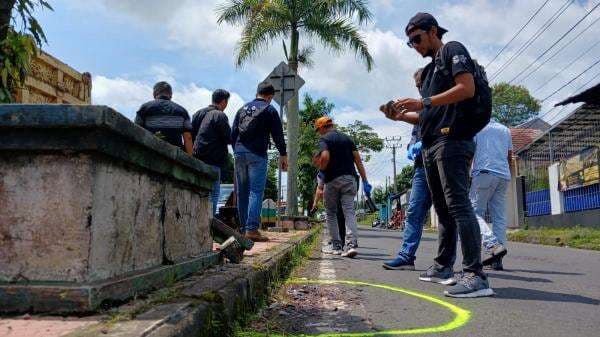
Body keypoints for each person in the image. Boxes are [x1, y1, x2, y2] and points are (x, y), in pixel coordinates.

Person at [391, 12, 493, 298]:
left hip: (454, 140)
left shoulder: (452, 50)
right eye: (410, 42)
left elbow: (467, 88)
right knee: (444, 209)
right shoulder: (429, 72)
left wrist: (423, 101)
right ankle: (442, 267)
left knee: (459, 205)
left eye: (417, 39)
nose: (414, 46)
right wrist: (401, 117)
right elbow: (427, 115)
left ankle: (475, 274)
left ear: (433, 31)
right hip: (432, 143)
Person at [382, 68, 436, 270]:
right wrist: (411, 147)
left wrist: (402, 116)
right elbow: (416, 132)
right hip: (422, 165)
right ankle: (406, 256)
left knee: (450, 213)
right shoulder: (420, 107)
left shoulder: (442, 101)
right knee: (413, 210)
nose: (420, 88)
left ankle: (456, 263)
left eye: (422, 83)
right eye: (417, 86)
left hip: (443, 162)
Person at [231, 82, 287, 242]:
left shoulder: (242, 109)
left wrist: (237, 151)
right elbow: (277, 135)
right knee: (255, 191)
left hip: (239, 153)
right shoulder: (269, 109)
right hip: (257, 154)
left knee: (242, 191)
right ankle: (252, 229)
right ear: (270, 96)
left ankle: (243, 229)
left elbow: (233, 133)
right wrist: (283, 154)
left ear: (257, 93)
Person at [313, 117, 372, 258]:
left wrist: (321, 168)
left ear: (322, 127)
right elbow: (358, 160)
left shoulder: (324, 140)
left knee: (331, 213)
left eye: (318, 130)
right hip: (350, 179)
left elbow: (325, 157)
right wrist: (365, 181)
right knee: (349, 212)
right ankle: (351, 245)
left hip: (332, 180)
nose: (318, 133)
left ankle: (337, 246)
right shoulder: (347, 139)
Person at [470, 120, 513, 271]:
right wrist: (509, 175)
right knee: (499, 216)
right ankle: (497, 260)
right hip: (503, 175)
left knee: (473, 213)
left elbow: (470, 153)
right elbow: (509, 155)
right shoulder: (504, 129)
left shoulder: (476, 126)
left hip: (484, 173)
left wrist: (467, 174)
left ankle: (492, 244)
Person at [192, 89, 232, 216]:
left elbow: (191, 135)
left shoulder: (197, 114)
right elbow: (228, 138)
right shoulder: (220, 115)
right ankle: (209, 222)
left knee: (199, 191)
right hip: (214, 159)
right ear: (224, 101)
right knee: (214, 192)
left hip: (197, 158)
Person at [135, 81, 193, 155]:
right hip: (174, 156)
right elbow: (188, 137)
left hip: (149, 151)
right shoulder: (182, 111)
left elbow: (137, 130)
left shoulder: (145, 108)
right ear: (171, 95)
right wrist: (190, 159)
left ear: (154, 94)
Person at [312, 171, 346, 252]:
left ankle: (337, 244)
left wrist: (315, 202)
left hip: (332, 195)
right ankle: (343, 242)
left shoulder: (323, 170)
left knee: (332, 216)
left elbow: (320, 189)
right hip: (347, 186)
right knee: (341, 217)